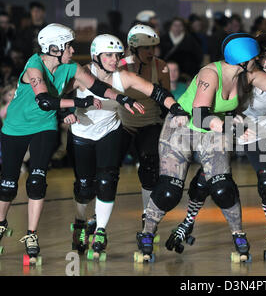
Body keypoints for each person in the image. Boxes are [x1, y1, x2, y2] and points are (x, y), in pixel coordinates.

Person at [138, 33, 266, 262]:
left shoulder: (248, 74)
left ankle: (238, 234)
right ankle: (147, 232)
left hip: (214, 132)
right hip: (183, 129)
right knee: (170, 191)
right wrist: (234, 129)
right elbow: (201, 115)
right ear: (244, 60)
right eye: (256, 56)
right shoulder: (209, 74)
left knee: (223, 187)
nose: (261, 60)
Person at [0, 23, 141, 264]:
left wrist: (122, 97)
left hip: (44, 127)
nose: (73, 50)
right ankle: (1, 224)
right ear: (54, 48)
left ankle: (31, 235)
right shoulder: (34, 67)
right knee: (8, 184)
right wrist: (79, 103)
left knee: (37, 180)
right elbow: (44, 101)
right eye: (68, 46)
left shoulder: (71, 68)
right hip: (16, 127)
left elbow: (97, 86)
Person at [67, 33, 187, 258]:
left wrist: (176, 108)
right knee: (84, 187)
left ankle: (101, 230)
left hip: (110, 131)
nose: (114, 59)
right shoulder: (81, 73)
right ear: (96, 56)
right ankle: (80, 223)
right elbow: (58, 94)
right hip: (81, 133)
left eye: (117, 55)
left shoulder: (124, 77)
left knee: (107, 179)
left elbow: (158, 92)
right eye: (109, 55)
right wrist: (66, 112)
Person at [118, 24, 171, 229]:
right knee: (109, 170)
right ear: (134, 49)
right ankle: (96, 218)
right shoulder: (121, 65)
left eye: (153, 48)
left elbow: (166, 98)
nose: (151, 52)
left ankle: (147, 216)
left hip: (150, 122)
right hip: (123, 123)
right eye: (146, 48)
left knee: (149, 167)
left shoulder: (161, 66)